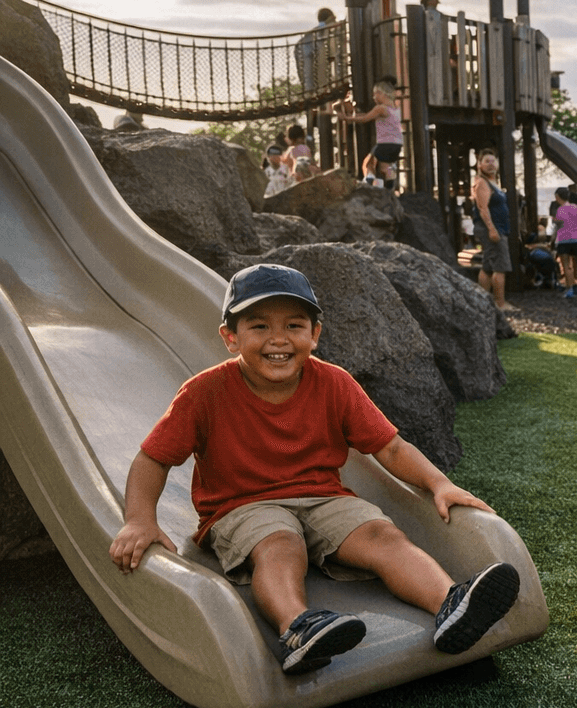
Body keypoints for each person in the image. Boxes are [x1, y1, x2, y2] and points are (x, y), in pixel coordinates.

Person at [108, 264, 520, 674]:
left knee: (383, 535)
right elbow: (153, 458)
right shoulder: (204, 393)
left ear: (314, 334)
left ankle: (451, 603)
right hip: (242, 505)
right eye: (259, 326)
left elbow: (390, 448)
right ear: (231, 338)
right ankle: (298, 626)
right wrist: (140, 520)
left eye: (294, 325)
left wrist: (439, 483)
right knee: (280, 545)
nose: (279, 339)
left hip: (324, 497)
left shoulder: (334, 383)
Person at [334, 79, 403, 189]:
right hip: (397, 143)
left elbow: (365, 118)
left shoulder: (380, 108)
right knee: (386, 168)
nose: (374, 97)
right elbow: (367, 115)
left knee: (368, 165)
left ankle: (371, 186)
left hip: (385, 143)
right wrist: (352, 116)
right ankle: (389, 190)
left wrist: (346, 118)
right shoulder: (395, 108)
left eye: (375, 94)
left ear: (382, 94)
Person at [471, 150, 512, 311]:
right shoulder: (482, 183)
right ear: (479, 165)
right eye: (486, 161)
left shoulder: (493, 183)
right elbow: (482, 208)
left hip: (499, 227)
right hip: (493, 229)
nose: (491, 164)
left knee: (488, 266)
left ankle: (483, 303)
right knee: (500, 267)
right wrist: (492, 229)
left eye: (493, 161)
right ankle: (500, 304)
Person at [551, 188, 577, 298]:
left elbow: (557, 222)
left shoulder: (560, 210)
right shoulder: (575, 207)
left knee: (567, 266)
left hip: (564, 240)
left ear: (558, 197)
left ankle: (570, 288)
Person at [294, 8, 336, 92]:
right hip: (318, 49)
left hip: (304, 48)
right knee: (321, 77)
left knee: (308, 76)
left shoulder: (313, 31)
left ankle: (310, 93)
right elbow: (332, 53)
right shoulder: (329, 29)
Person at [523, 219, 558, 289]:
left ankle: (545, 280)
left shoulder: (534, 233)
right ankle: (548, 280)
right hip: (541, 253)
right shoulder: (539, 231)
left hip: (536, 252)